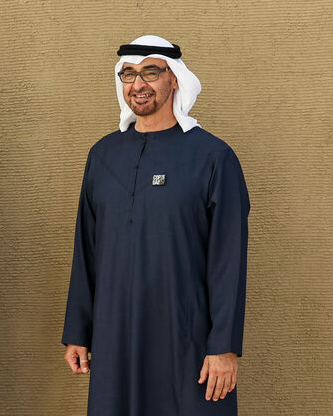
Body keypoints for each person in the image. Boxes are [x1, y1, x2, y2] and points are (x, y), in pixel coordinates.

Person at [62, 35, 250, 415]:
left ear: (175, 79)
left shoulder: (213, 157)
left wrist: (224, 347)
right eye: (128, 74)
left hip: (188, 340)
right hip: (115, 337)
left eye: (150, 72)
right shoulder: (103, 155)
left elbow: (229, 260)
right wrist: (78, 333)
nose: (138, 84)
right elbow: (86, 251)